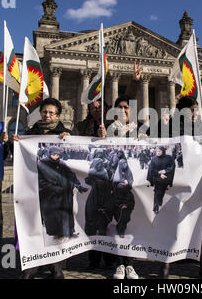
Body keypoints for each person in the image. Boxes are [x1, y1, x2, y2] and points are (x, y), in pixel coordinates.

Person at [73, 62, 142, 271]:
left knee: (116, 220)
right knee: (95, 220)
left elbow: (126, 101)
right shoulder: (82, 126)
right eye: (92, 107)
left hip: (116, 183)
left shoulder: (114, 126)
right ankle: (94, 257)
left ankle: (116, 259)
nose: (96, 110)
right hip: (96, 181)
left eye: (99, 107)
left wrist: (134, 81)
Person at [158, 96, 202, 279]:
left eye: (196, 109)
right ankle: (165, 266)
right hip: (177, 186)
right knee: (170, 225)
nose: (194, 113)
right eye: (191, 109)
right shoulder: (168, 129)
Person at [12, 97, 71, 279]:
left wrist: (69, 140)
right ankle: (32, 263)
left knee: (54, 226)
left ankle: (56, 265)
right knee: (34, 223)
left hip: (57, 189)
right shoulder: (31, 132)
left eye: (51, 112)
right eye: (44, 112)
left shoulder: (66, 133)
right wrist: (15, 142)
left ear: (58, 115)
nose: (47, 115)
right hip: (35, 185)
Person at [99, 93, 142, 280]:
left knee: (130, 223)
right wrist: (101, 140)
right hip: (113, 186)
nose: (124, 110)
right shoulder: (108, 130)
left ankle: (130, 264)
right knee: (116, 223)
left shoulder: (140, 130)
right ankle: (119, 264)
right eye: (120, 108)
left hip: (134, 186)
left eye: (127, 107)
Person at [37, 146, 88, 238]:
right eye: (53, 155)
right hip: (51, 196)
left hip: (65, 194)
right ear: (49, 154)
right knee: (55, 216)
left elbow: (71, 175)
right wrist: (54, 188)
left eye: (57, 155)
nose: (55, 157)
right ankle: (58, 233)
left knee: (67, 213)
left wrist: (78, 185)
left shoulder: (62, 163)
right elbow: (40, 181)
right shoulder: (42, 164)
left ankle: (70, 231)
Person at [146, 146, 175, 214]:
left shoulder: (168, 158)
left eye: (159, 151)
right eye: (157, 151)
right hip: (157, 178)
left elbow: (172, 166)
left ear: (163, 151)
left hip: (165, 178)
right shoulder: (154, 159)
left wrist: (165, 171)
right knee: (157, 192)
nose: (158, 153)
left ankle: (160, 200)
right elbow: (152, 170)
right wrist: (159, 174)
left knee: (162, 191)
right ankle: (155, 208)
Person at [112, 158, 135, 238]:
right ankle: (120, 229)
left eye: (125, 163)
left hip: (127, 196)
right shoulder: (116, 173)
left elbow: (131, 182)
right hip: (118, 196)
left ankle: (122, 228)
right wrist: (121, 183)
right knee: (119, 215)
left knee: (126, 216)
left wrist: (128, 183)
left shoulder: (128, 171)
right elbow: (114, 184)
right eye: (122, 163)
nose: (124, 165)